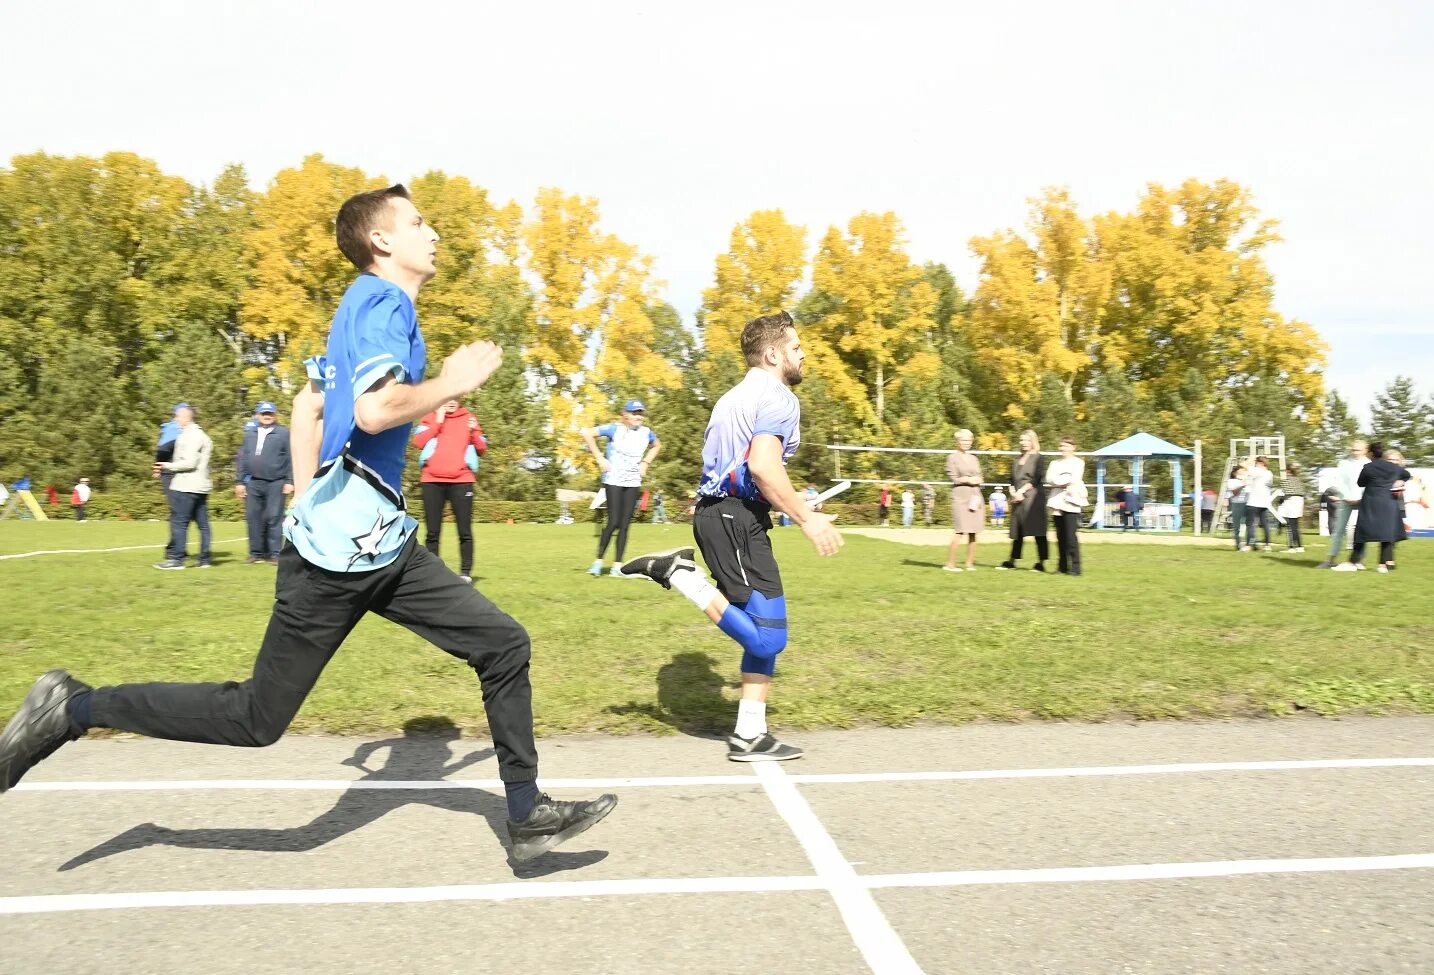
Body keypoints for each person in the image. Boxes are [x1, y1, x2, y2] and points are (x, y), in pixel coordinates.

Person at [0, 184, 614, 863]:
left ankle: (527, 817)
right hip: (335, 558)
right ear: (381, 241)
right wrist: (452, 382)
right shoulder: (379, 302)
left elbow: (307, 404)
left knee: (502, 644)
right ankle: (74, 707)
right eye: (417, 222)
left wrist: (300, 495)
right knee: (255, 718)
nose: (433, 232)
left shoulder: (363, 310)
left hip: (380, 543)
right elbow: (378, 411)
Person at [620, 311, 842, 762]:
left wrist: (789, 500)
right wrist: (806, 518)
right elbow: (761, 466)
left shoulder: (732, 397)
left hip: (725, 516)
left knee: (764, 626)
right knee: (768, 639)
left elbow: (742, 470)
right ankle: (680, 574)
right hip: (733, 519)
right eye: (796, 348)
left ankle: (749, 733)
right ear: (774, 353)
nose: (803, 354)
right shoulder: (778, 397)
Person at [581, 400, 661, 577]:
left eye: (640, 413)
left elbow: (657, 445)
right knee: (613, 522)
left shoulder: (646, 433)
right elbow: (586, 433)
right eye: (634, 413)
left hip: (633, 482)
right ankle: (598, 562)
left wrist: (645, 463)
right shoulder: (613, 429)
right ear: (625, 414)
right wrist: (600, 458)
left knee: (625, 525)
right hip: (613, 480)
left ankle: (617, 566)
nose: (638, 416)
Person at [412, 397, 487, 582]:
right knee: (432, 532)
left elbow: (482, 448)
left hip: (461, 481)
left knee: (464, 531)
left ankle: (465, 574)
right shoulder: (430, 417)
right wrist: (438, 422)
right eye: (448, 398)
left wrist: (474, 433)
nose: (451, 402)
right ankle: (433, 574)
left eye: (456, 398)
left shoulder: (469, 417)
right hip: (431, 481)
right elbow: (418, 442)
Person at [153, 406, 213, 570]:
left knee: (179, 522)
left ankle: (177, 560)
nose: (176, 420)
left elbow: (189, 462)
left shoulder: (191, 435)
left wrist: (168, 466)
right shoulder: (201, 435)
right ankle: (205, 559)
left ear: (186, 417)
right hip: (200, 486)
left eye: (177, 417)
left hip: (187, 485)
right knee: (203, 524)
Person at [1333, 443, 1409, 573]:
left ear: (1371, 454)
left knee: (1361, 533)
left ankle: (1353, 561)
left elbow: (1360, 482)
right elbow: (1406, 474)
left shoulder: (1368, 467)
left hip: (1371, 502)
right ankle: (1382, 566)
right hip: (1389, 502)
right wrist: (1399, 481)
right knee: (1386, 534)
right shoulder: (1394, 468)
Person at [235, 401, 295, 565]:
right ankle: (256, 553)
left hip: (276, 482)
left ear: (275, 415)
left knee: (274, 517)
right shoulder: (250, 433)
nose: (267, 416)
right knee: (253, 518)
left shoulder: (283, 433)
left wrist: (290, 480)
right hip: (253, 482)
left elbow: (290, 457)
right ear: (258, 415)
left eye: (270, 413)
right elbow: (243, 458)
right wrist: (240, 481)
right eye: (263, 413)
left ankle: (275, 554)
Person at [999, 430, 1049, 571]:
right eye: (1021, 440)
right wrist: (1013, 492)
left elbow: (1036, 478)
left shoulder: (1038, 458)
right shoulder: (1016, 460)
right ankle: (1012, 560)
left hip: (1033, 498)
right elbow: (1011, 479)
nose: (1023, 443)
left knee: (1038, 530)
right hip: (1018, 499)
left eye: (1027, 440)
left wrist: (1021, 491)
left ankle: (1041, 563)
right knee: (1017, 530)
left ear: (1033, 441)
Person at [1317, 439, 1367, 569]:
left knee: (1361, 531)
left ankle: (1358, 560)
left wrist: (1360, 498)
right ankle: (1330, 559)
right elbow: (1341, 482)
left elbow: (1368, 483)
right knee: (1338, 530)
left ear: (1364, 450)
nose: (1355, 452)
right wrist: (1346, 497)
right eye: (1353, 449)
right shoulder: (1344, 463)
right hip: (1346, 500)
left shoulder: (1368, 464)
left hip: (1362, 500)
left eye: (1358, 450)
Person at [943, 428, 984, 572]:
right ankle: (950, 564)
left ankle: (969, 563)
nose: (966, 443)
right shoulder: (952, 458)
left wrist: (978, 480)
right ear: (957, 442)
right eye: (963, 440)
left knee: (973, 531)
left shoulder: (974, 458)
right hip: (960, 497)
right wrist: (967, 479)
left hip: (975, 496)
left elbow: (980, 476)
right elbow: (953, 478)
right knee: (960, 530)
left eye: (969, 440)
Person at [1045, 436, 1086, 576]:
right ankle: (1062, 566)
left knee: (1070, 535)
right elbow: (1050, 478)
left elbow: (1074, 478)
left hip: (1071, 501)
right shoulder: (1054, 463)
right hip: (1057, 501)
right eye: (1062, 446)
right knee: (1060, 535)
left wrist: (1061, 480)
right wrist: (1060, 481)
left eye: (1067, 446)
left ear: (1073, 447)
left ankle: (1075, 567)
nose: (1064, 448)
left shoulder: (1079, 462)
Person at [155, 404, 186, 498]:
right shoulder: (173, 428)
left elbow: (161, 450)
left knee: (179, 506)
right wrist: (157, 468)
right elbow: (163, 449)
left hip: (177, 471)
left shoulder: (182, 428)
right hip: (172, 472)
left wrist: (157, 468)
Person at [1244, 457, 1274, 551]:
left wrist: (1250, 459)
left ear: (1261, 463)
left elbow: (1242, 464)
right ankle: (1267, 545)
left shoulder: (1259, 471)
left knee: (1250, 524)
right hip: (1264, 502)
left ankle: (1249, 545)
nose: (1255, 464)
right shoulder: (1269, 473)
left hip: (1254, 501)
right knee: (1265, 524)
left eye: (1256, 462)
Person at [1277, 464, 1307, 552]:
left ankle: (1292, 547)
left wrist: (1280, 502)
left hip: (1291, 502)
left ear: (1288, 471)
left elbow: (1284, 494)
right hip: (1299, 501)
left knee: (1291, 526)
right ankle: (1299, 546)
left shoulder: (1285, 481)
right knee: (1296, 526)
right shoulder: (1298, 480)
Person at [1226, 463, 1250, 550]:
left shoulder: (1247, 479)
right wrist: (1242, 485)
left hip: (1247, 503)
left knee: (1248, 525)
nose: (1242, 473)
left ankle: (1249, 544)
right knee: (1237, 525)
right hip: (1237, 504)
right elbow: (1235, 493)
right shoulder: (1232, 481)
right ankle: (1238, 544)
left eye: (1243, 472)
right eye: (1240, 472)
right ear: (1235, 473)